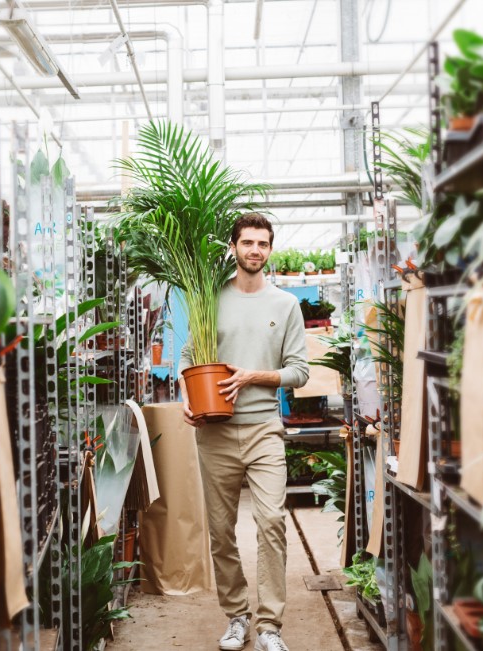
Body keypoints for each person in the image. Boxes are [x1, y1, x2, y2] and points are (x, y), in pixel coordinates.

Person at [178, 212, 309, 651]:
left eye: (263, 243)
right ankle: (237, 617)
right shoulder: (210, 298)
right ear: (233, 247)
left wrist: (255, 376)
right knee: (220, 531)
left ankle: (270, 626)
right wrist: (186, 397)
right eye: (248, 242)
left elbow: (300, 372)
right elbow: (186, 358)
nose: (255, 250)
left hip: (263, 429)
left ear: (271, 250)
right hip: (214, 431)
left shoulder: (285, 305)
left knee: (271, 520)